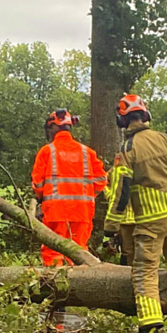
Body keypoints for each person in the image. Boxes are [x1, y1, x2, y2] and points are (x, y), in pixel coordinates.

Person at [104, 94, 167, 333]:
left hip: (150, 221)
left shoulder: (127, 151)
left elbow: (121, 192)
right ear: (145, 116)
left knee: (144, 272)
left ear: (122, 120)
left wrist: (111, 227)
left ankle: (148, 330)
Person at [31, 109, 107, 266]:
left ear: (53, 127)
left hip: (55, 212)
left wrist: (41, 198)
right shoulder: (87, 152)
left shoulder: (47, 151)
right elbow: (101, 180)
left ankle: (56, 286)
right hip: (82, 212)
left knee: (53, 252)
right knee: (79, 253)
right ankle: (79, 287)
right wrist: (88, 196)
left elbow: (37, 184)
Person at [103, 151, 135, 265]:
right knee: (130, 253)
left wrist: (110, 195)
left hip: (130, 218)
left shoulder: (124, 160)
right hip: (128, 218)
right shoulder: (117, 167)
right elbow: (105, 182)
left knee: (131, 253)